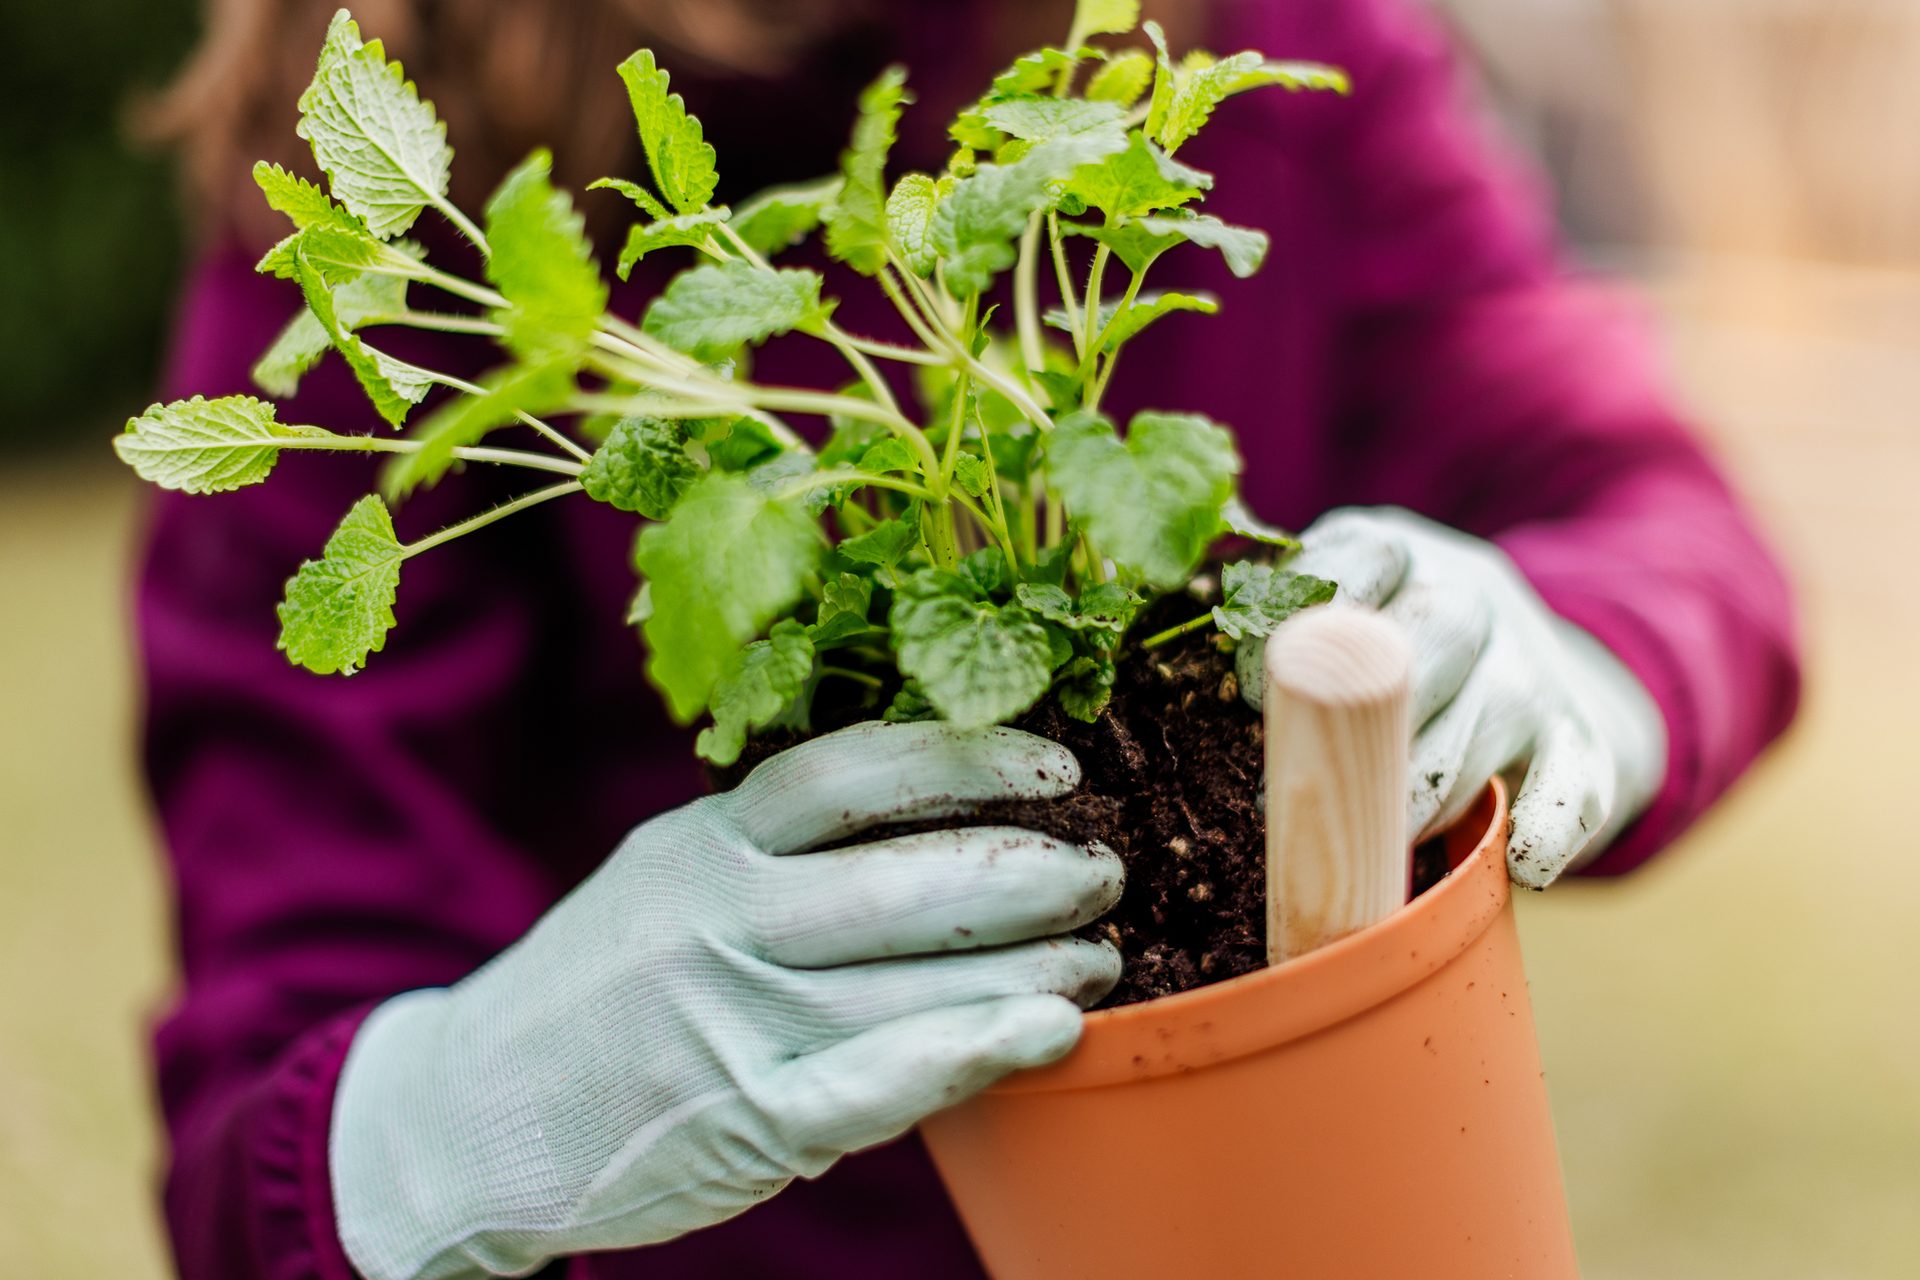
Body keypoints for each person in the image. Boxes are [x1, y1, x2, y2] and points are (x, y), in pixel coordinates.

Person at [136, 0, 1801, 1276]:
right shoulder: (389, 269)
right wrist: (460, 1117)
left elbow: (1669, 528)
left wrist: (1577, 648)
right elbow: (252, 1141)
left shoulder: (1247, 38)